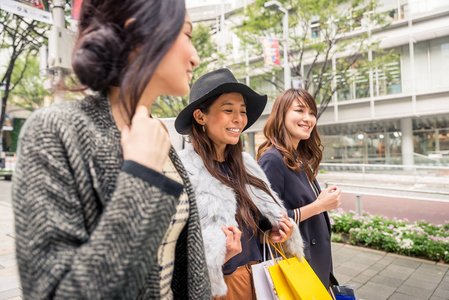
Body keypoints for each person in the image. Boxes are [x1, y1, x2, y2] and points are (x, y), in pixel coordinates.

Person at [12, 1, 212, 299]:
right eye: (187, 35)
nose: (195, 57)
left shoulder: (156, 134)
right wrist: (142, 176)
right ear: (139, 37)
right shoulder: (54, 130)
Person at [174, 68, 304, 299]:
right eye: (228, 110)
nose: (239, 119)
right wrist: (220, 255)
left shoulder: (247, 167)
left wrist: (272, 233)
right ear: (200, 116)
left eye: (242, 112)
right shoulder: (182, 172)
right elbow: (170, 253)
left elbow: (254, 229)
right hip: (221, 288)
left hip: (262, 279)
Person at [257, 88, 342, 289]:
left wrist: (321, 201)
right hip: (297, 264)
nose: (308, 118)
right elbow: (264, 218)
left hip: (314, 261)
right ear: (281, 115)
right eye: (300, 111)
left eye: (312, 113)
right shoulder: (273, 158)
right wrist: (319, 205)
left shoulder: (298, 158)